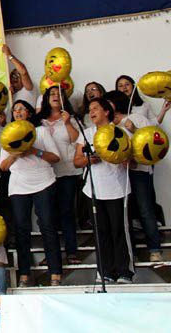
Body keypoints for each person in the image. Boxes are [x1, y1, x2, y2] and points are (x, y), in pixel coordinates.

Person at [0, 100, 63, 287]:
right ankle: (24, 274)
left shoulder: (41, 131)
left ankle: (55, 272)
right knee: (21, 230)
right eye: (15, 110)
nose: (18, 112)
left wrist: (35, 151)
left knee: (48, 226)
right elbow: (3, 167)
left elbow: (56, 157)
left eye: (21, 109)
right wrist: (15, 153)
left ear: (29, 113)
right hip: (19, 186)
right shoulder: (8, 134)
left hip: (44, 182)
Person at [74, 97, 133, 283]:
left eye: (95, 108)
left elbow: (134, 161)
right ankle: (105, 271)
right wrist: (89, 160)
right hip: (94, 190)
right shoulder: (87, 134)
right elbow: (76, 161)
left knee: (119, 231)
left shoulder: (121, 132)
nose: (91, 112)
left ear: (106, 111)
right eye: (90, 109)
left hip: (117, 189)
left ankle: (125, 272)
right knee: (101, 233)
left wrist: (125, 159)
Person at [105, 90, 162, 262]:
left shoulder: (137, 118)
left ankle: (155, 249)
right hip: (119, 174)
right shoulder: (107, 126)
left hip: (140, 172)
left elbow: (152, 143)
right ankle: (131, 253)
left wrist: (134, 129)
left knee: (145, 210)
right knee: (125, 214)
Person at [36, 87, 82, 264]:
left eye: (59, 94)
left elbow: (78, 140)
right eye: (52, 94)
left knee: (67, 211)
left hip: (67, 172)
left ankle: (71, 251)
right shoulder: (39, 121)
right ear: (46, 99)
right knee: (47, 216)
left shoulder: (71, 118)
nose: (55, 96)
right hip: (45, 173)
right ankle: (51, 255)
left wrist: (68, 122)